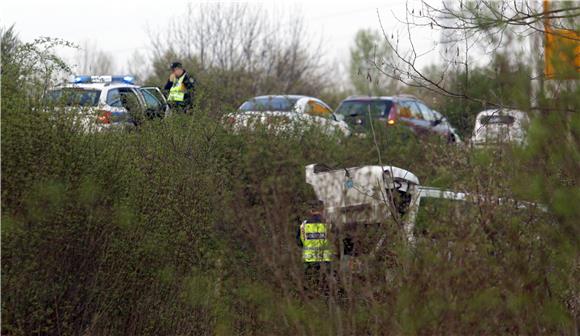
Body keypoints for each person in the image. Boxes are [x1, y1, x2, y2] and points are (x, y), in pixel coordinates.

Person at [297, 199, 333, 293]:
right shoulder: (328, 224)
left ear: (310, 210)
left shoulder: (303, 225)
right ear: (322, 210)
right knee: (326, 287)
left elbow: (299, 243)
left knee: (310, 287)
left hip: (309, 261)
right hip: (325, 260)